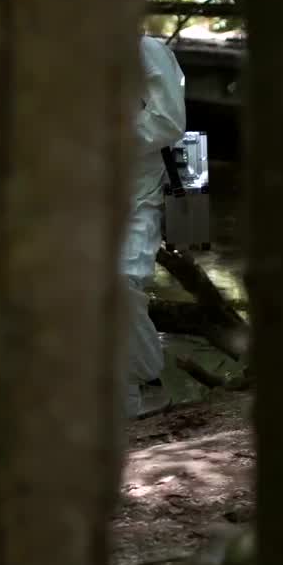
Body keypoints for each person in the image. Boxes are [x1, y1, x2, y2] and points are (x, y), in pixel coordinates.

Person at [122, 35, 188, 418]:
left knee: (121, 282)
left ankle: (147, 380)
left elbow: (168, 120)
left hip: (138, 191)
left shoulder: (146, 50)